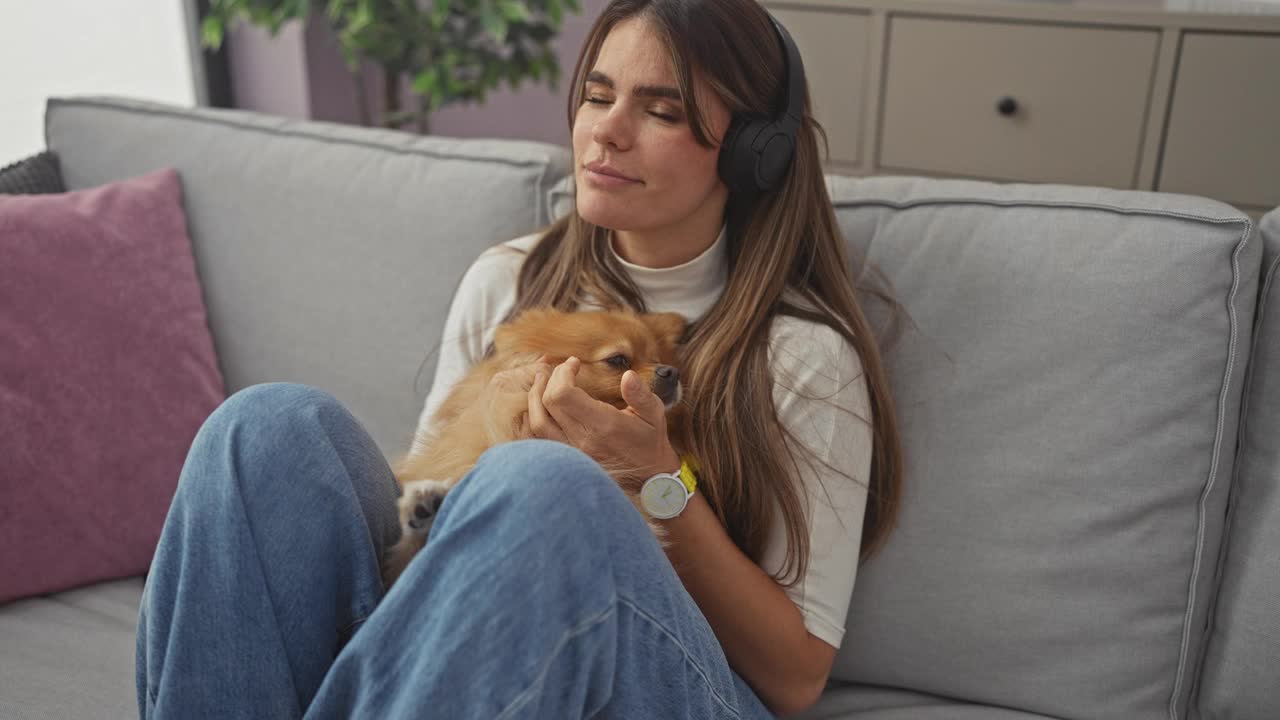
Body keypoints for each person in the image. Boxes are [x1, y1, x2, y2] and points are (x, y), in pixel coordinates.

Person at [135, 0, 905, 716]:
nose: (606, 132)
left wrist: (658, 481)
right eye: (598, 97)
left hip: (676, 684)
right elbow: (425, 531)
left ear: (752, 154)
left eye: (661, 110)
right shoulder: (507, 281)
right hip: (489, 657)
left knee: (542, 482)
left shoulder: (803, 355)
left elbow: (796, 676)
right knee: (265, 426)